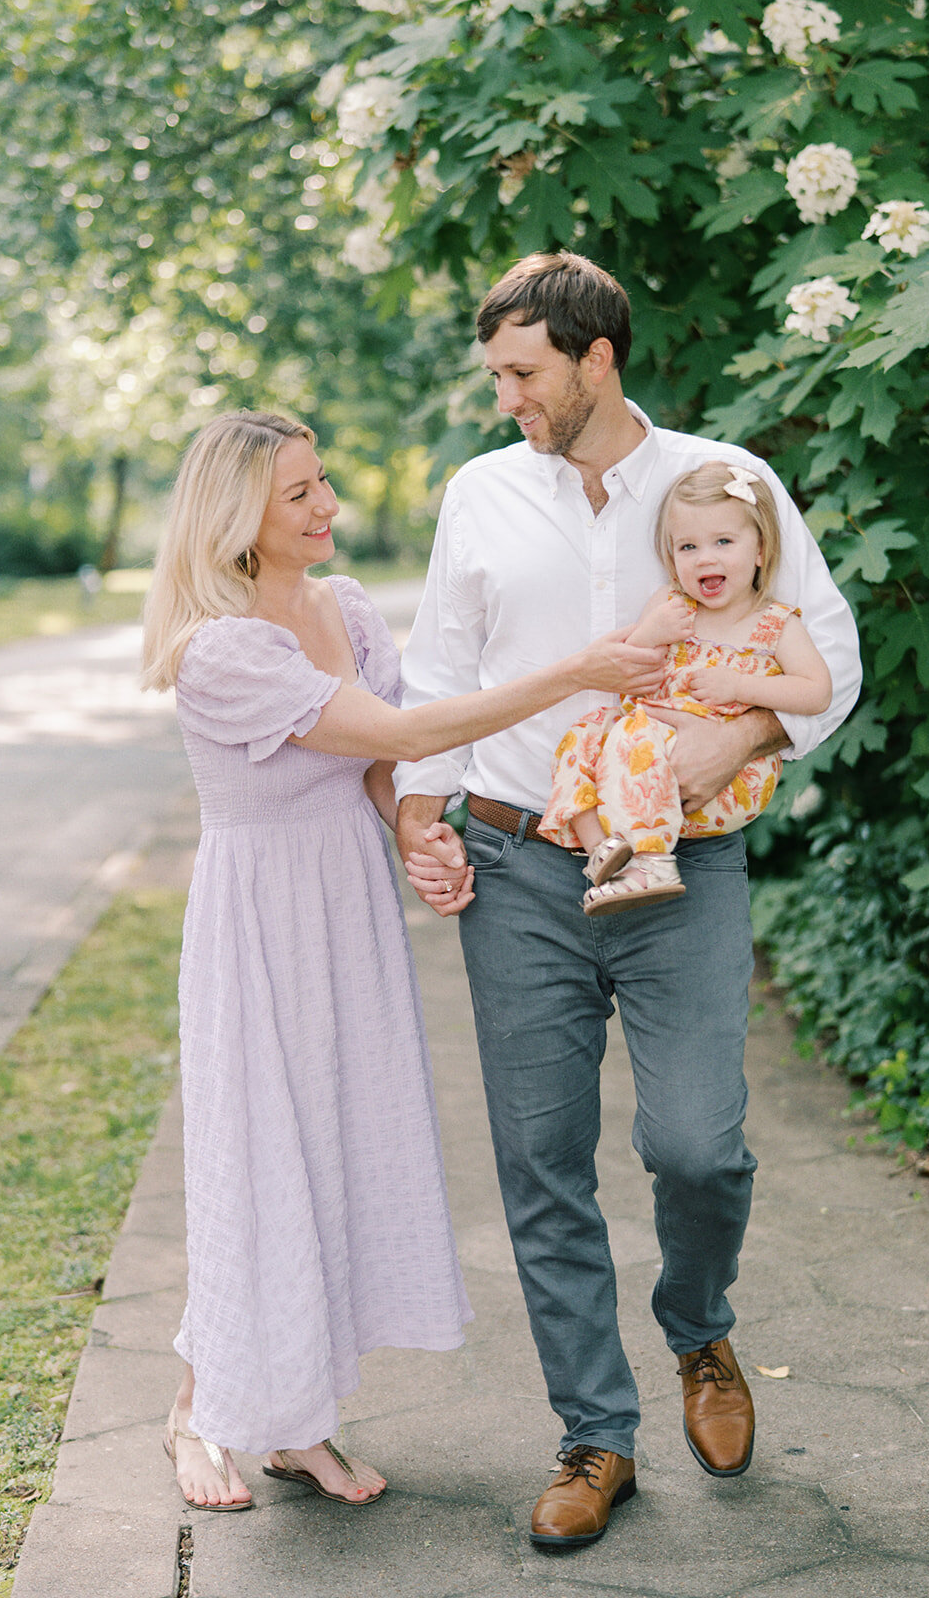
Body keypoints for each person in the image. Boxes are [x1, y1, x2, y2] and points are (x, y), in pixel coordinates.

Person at [394, 253, 861, 1548]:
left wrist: (748, 743)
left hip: (683, 867)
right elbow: (439, 664)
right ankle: (592, 1437)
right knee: (542, 1165)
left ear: (596, 358)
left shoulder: (724, 481)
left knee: (695, 1144)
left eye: (523, 374)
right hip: (518, 866)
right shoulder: (477, 495)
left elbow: (827, 648)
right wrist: (415, 813)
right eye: (496, 375)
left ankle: (697, 1329)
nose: (506, 399)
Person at [140, 408, 667, 1513]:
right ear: (238, 514)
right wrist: (575, 670)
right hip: (262, 923)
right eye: (300, 493)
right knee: (258, 1157)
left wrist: (412, 834)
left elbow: (380, 758)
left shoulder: (340, 604)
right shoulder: (221, 646)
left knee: (332, 1154)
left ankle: (297, 1422)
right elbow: (405, 735)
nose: (327, 505)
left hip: (347, 911)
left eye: (321, 480)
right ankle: (203, 1409)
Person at [539, 459, 832, 914]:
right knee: (587, 731)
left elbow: (816, 693)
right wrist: (649, 633)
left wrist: (740, 685)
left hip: (725, 779)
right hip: (646, 758)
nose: (706, 558)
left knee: (634, 736)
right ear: (671, 556)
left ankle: (651, 863)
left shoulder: (774, 624)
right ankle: (604, 850)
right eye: (688, 546)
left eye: (723, 542)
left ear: (760, 549)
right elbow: (626, 678)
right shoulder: (671, 606)